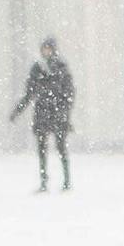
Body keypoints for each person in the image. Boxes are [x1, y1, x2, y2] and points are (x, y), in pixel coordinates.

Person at [10, 39, 76, 192]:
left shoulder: (61, 67)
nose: (46, 51)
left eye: (48, 48)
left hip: (57, 113)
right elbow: (29, 94)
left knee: (61, 148)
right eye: (44, 48)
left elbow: (69, 92)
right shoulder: (37, 68)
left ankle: (66, 180)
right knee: (42, 149)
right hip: (42, 113)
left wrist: (65, 109)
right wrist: (17, 111)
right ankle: (44, 180)